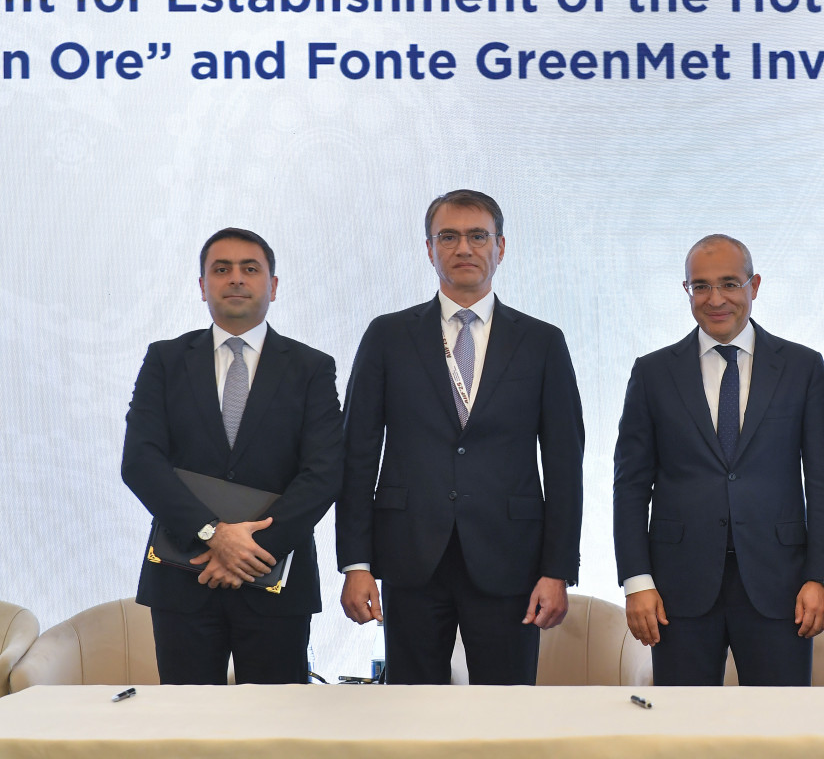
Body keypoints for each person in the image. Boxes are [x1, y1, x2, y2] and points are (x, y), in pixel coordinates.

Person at [337, 189, 584, 685]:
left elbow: (564, 465)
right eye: (448, 237)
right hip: (411, 555)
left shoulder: (542, 342)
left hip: (510, 558)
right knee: (413, 708)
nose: (464, 248)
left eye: (478, 236)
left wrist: (557, 569)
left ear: (501, 247)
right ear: (429, 249)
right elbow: (357, 455)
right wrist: (356, 563)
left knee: (506, 709)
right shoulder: (388, 336)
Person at [613, 234, 824, 685]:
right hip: (677, 589)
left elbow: (823, 482)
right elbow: (631, 485)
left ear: (754, 285)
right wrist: (637, 581)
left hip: (782, 586)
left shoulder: (803, 367)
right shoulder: (653, 373)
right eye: (700, 286)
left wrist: (821, 577)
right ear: (687, 291)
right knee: (683, 723)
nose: (715, 299)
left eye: (729, 284)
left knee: (780, 721)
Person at [122, 228, 343, 684]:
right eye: (221, 269)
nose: (236, 278)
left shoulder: (312, 368)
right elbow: (141, 462)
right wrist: (212, 534)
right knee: (187, 721)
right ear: (203, 286)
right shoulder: (165, 360)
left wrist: (250, 551)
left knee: (276, 722)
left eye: (250, 268)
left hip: (276, 579)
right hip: (183, 578)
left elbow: (323, 473)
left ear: (272, 286)